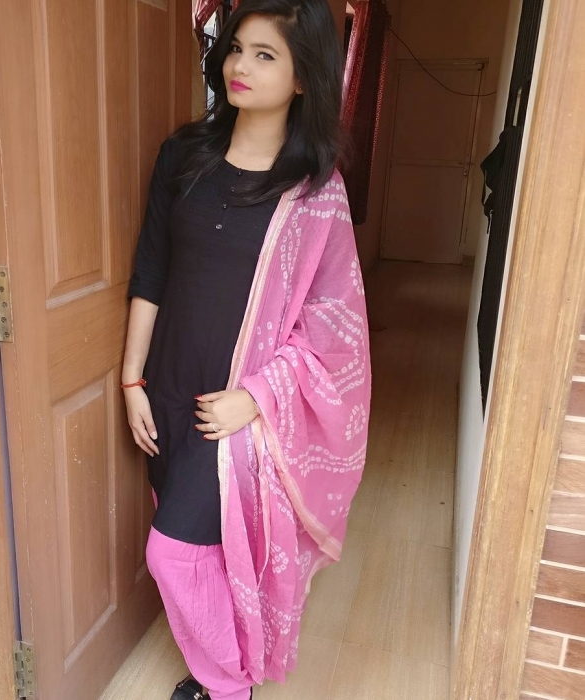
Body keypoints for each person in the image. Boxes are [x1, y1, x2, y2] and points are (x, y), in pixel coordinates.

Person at [122, 1, 372, 698]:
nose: (240, 66)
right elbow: (152, 269)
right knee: (206, 547)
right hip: (170, 389)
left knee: (172, 553)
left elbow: (336, 327)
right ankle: (225, 670)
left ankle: (229, 686)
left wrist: (257, 399)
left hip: (235, 411)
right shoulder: (183, 155)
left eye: (266, 55)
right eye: (237, 48)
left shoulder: (314, 191)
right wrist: (132, 378)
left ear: (303, 77)